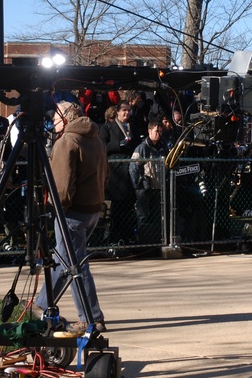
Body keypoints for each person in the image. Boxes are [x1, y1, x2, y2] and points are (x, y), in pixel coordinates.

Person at [34, 100, 109, 333]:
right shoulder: (95, 138)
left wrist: (55, 209)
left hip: (72, 212)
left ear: (66, 117)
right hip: (92, 209)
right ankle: (42, 304)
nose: (53, 123)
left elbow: (62, 188)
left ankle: (91, 317)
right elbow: (105, 175)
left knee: (75, 265)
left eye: (56, 119)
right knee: (65, 260)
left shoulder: (68, 141)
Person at [98, 101, 140, 244]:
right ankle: (113, 238)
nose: (126, 113)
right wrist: (118, 144)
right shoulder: (107, 127)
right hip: (114, 171)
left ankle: (126, 237)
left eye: (129, 110)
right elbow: (101, 145)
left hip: (129, 168)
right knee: (115, 206)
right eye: (124, 110)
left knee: (128, 205)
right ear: (117, 111)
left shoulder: (132, 127)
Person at [130, 117, 169, 244]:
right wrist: (138, 185)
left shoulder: (163, 147)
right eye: (156, 131)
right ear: (149, 131)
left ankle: (157, 242)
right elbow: (133, 167)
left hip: (159, 188)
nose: (158, 134)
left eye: (160, 131)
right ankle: (143, 243)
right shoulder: (142, 148)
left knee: (159, 217)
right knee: (143, 217)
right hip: (145, 189)